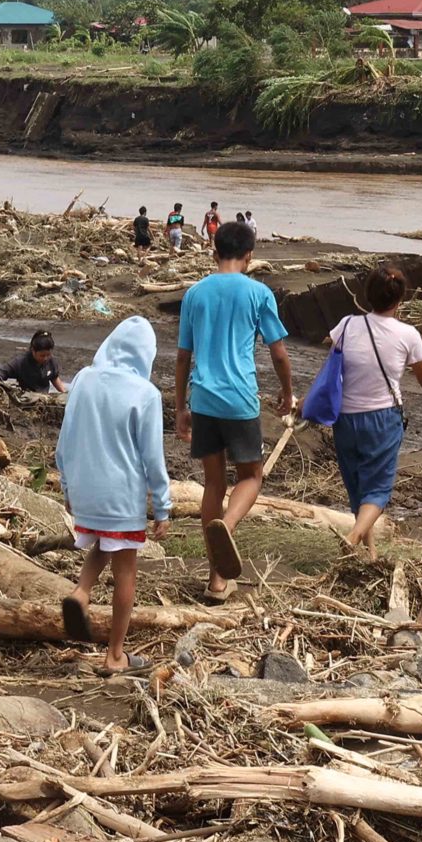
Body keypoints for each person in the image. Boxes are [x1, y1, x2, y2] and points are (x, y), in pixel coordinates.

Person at [175, 219, 294, 602]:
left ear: (214, 251)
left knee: (213, 483)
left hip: (204, 398)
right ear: (249, 256)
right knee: (252, 476)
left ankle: (216, 580)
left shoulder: (195, 293)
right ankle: (226, 525)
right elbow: (278, 353)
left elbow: (181, 357)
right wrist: (288, 392)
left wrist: (180, 407)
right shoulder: (258, 293)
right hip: (240, 398)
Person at [327, 263, 422, 559]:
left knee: (357, 487)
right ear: (400, 300)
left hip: (344, 418)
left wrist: (306, 404)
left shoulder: (346, 325)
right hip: (382, 419)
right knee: (377, 491)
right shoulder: (408, 335)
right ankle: (353, 538)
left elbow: (331, 369)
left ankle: (371, 552)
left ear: (367, 295)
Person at [56, 316, 172, 675]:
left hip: (86, 492)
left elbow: (65, 441)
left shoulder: (84, 381)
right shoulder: (146, 393)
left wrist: (67, 487)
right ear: (146, 354)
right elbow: (152, 457)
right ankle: (116, 655)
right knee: (126, 572)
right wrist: (163, 506)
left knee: (102, 544)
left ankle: (81, 592)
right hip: (122, 496)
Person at [0, 330, 68, 394]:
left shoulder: (51, 361)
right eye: (42, 356)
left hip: (44, 397)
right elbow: (0, 374)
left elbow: (54, 378)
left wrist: (64, 393)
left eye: (48, 355)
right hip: (25, 398)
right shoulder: (20, 362)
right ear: (33, 350)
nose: (45, 358)